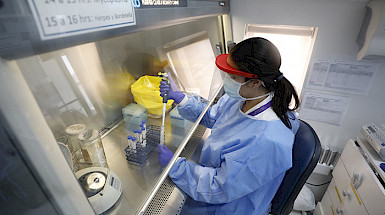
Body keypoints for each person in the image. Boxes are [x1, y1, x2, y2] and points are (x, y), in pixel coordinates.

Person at [158, 37, 300, 215]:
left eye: (233, 76)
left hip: (232, 207)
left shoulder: (265, 140)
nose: (227, 80)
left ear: (255, 82)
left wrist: (176, 167)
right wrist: (181, 98)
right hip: (222, 189)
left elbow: (219, 187)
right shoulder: (246, 97)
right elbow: (214, 117)